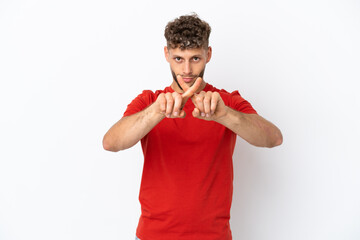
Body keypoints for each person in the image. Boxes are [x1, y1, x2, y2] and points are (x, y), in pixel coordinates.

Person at [103, 13, 282, 240]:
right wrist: (156, 112)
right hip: (153, 235)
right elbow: (111, 142)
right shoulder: (149, 101)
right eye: (179, 58)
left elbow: (273, 138)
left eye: (195, 58)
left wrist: (224, 114)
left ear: (208, 54)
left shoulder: (227, 102)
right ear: (166, 54)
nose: (186, 70)